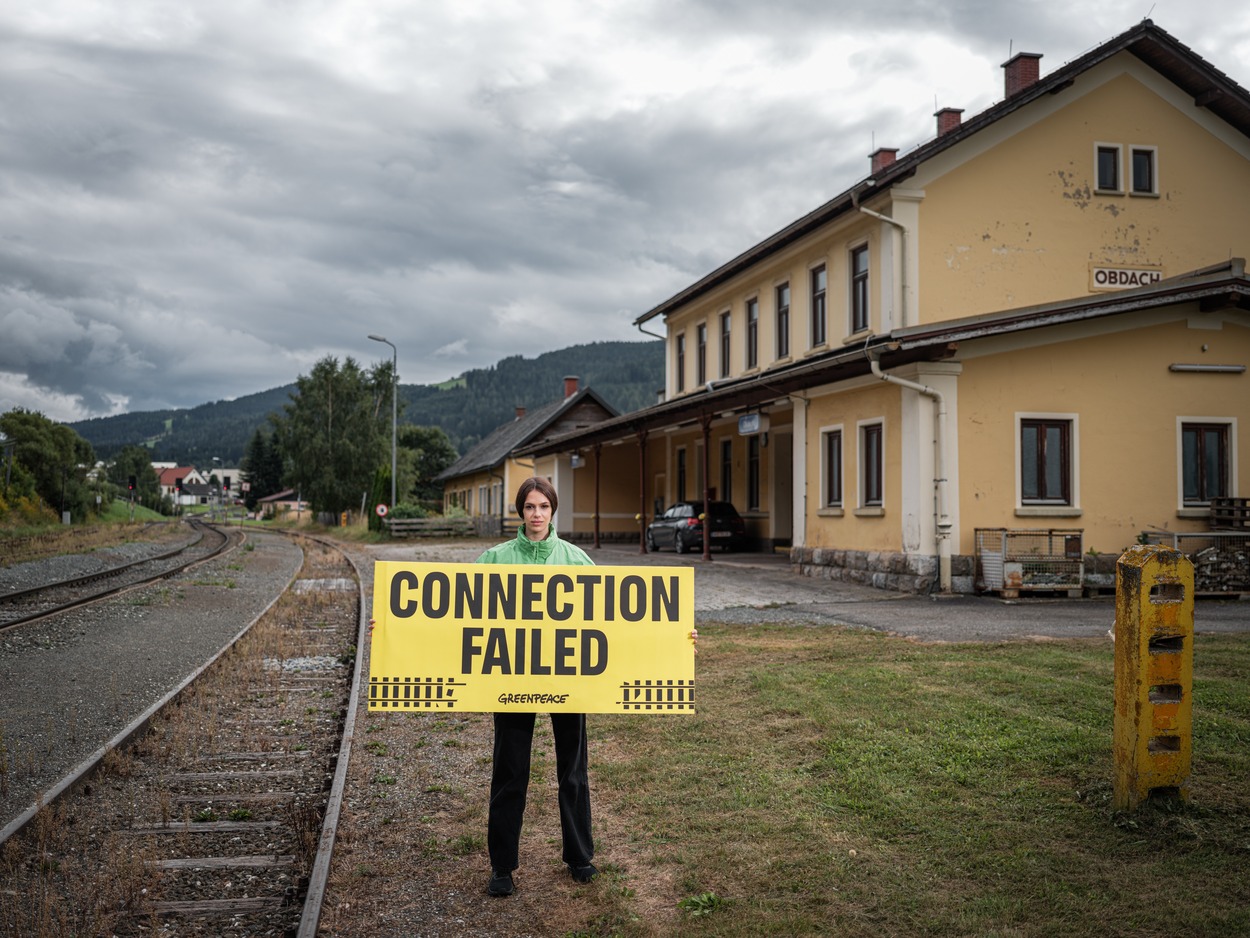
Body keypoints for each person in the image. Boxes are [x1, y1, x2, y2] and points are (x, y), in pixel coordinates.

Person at [475, 476, 597, 897]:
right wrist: (397, 629)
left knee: (573, 772)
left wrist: (675, 639)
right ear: (520, 511)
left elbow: (614, 624)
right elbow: (453, 620)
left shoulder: (577, 560)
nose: (537, 514)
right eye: (529, 507)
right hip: (511, 679)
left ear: (553, 510)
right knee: (510, 772)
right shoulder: (494, 559)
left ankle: (580, 857)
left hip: (569, 679)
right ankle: (502, 866)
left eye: (543, 506)